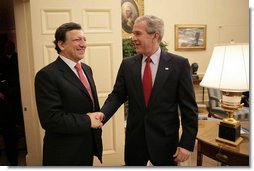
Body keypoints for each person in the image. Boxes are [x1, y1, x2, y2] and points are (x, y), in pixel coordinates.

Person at [95, 15, 198, 166]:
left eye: (137, 33)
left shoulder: (179, 65)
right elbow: (117, 95)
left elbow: (189, 108)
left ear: (155, 36)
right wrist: (102, 114)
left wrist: (187, 143)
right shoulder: (128, 65)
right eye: (133, 33)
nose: (132, 38)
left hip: (166, 142)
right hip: (135, 142)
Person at [34, 22, 103, 166]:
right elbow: (50, 119)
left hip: (87, 147)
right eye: (77, 40)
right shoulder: (47, 75)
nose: (83, 44)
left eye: (84, 39)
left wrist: (97, 116)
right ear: (61, 44)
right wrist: (88, 120)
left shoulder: (86, 69)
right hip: (64, 153)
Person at [0, 40, 21, 166]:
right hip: (4, 100)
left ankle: (13, 158)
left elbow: (16, 81)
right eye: (6, 47)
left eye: (10, 47)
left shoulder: (18, 59)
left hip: (15, 99)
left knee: (11, 128)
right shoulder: (2, 59)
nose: (8, 49)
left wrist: (6, 92)